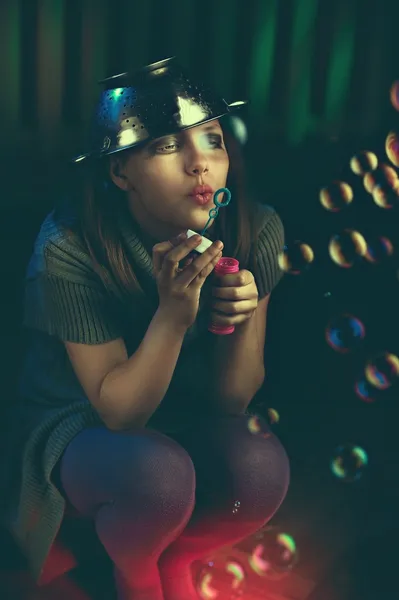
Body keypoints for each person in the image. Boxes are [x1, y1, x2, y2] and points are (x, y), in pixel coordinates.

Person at [1, 57, 290, 600]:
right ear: (119, 172)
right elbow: (120, 412)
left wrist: (242, 317)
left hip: (188, 414)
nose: (198, 164)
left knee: (258, 469)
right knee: (157, 477)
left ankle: (177, 555)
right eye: (164, 146)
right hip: (83, 429)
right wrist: (173, 317)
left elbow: (231, 401)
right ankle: (133, 570)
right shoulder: (68, 246)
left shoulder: (257, 229)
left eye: (212, 140)